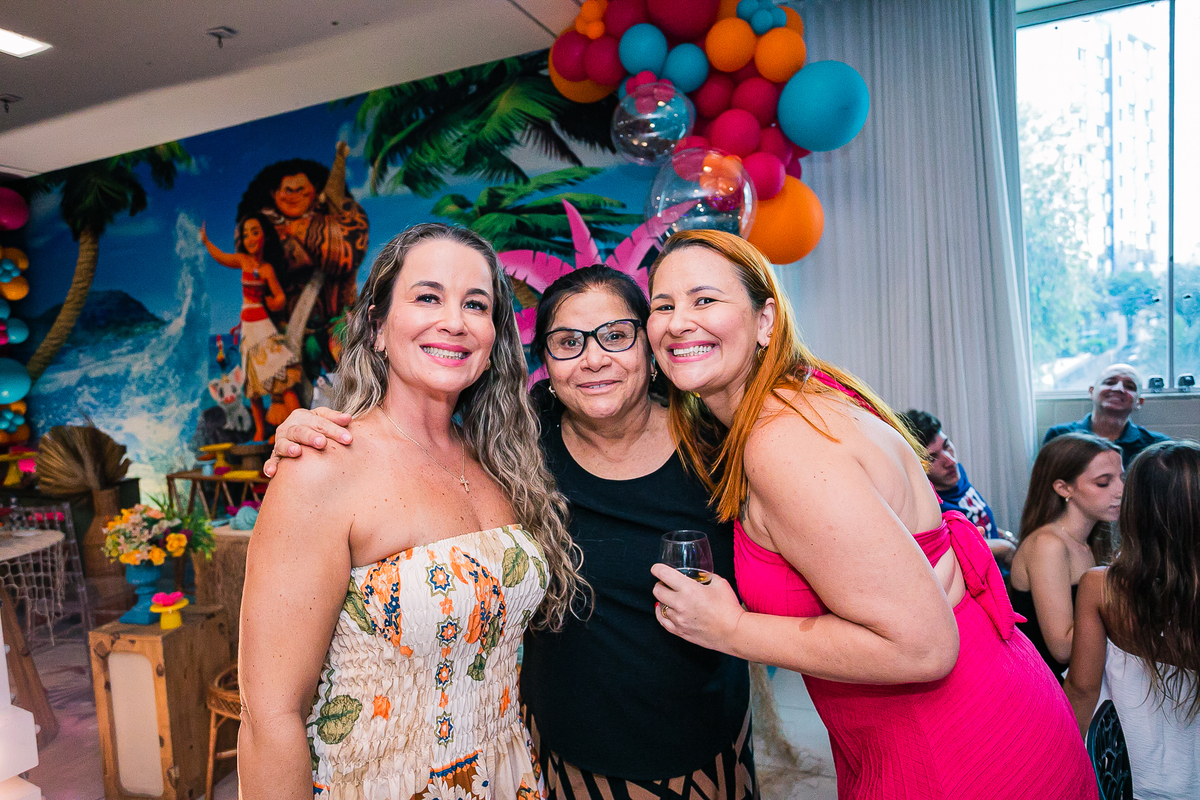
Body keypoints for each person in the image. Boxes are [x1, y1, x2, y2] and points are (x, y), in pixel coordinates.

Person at [266, 265, 760, 799]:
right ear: (544, 361)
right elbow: (413, 442)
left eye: (616, 336)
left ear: (649, 345)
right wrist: (304, 433)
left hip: (704, 745)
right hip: (561, 754)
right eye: (567, 342)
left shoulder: (717, 443)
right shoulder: (517, 446)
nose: (594, 359)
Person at [643, 229, 1096, 799]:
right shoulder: (807, 392)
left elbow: (923, 648)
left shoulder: (784, 440)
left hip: (954, 746)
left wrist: (730, 629)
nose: (679, 322)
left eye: (704, 299)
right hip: (979, 711)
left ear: (765, 320)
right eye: (663, 305)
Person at [238, 223, 584, 799]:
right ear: (377, 327)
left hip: (506, 775)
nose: (454, 321)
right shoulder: (322, 465)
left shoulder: (503, 460)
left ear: (493, 338)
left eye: (476, 304)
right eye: (428, 297)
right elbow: (270, 716)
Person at [1064, 440, 1200, 798]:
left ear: (1135, 508)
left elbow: (1082, 690)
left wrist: (1063, 768)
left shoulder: (1100, 587)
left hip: (1134, 776)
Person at [1008, 433, 1124, 682]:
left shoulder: (1092, 539)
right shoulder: (1048, 546)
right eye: (1103, 483)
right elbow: (1062, 648)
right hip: (1047, 684)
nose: (1120, 491)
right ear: (1063, 488)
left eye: (1121, 478)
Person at [201, 215, 303, 442]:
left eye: (254, 232)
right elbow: (222, 258)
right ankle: (259, 430)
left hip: (263, 328)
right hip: (248, 329)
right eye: (245, 234)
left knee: (280, 377)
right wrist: (207, 242)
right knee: (252, 384)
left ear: (264, 236)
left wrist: (274, 302)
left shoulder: (266, 269)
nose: (250, 238)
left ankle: (298, 426)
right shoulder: (243, 261)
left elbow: (279, 296)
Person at [900, 409, 1017, 566]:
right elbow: (956, 550)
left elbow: (976, 517)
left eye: (947, 445)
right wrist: (1005, 548)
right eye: (933, 458)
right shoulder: (931, 507)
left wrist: (1005, 536)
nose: (950, 461)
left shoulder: (953, 474)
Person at [1043, 363, 1170, 467]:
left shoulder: (1157, 446)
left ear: (1139, 402)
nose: (1118, 389)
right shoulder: (1059, 436)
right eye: (1109, 382)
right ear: (1091, 392)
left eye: (1129, 386)